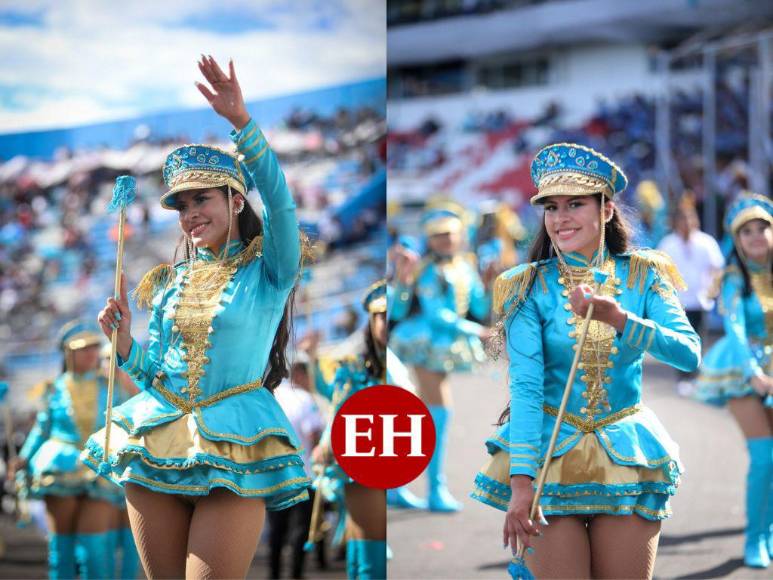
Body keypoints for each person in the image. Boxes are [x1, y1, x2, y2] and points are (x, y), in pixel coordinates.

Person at [81, 55, 310, 578]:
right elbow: (156, 376)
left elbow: (281, 203)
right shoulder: (168, 282)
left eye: (200, 200)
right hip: (157, 442)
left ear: (234, 200)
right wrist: (122, 345)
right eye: (181, 207)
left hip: (236, 448)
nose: (189, 217)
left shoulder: (268, 269)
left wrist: (242, 125)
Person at [470, 143, 701, 578]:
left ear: (607, 209)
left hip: (628, 457)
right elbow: (525, 386)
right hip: (549, 460)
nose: (561, 218)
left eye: (576, 203)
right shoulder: (526, 287)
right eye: (551, 207)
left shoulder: (643, 274)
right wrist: (521, 483)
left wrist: (620, 318)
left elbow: (687, 354)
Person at [390, 204, 491, 512]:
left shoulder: (465, 266)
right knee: (437, 414)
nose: (445, 240)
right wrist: (475, 330)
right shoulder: (429, 270)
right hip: (424, 344)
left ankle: (397, 484)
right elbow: (437, 315)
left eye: (450, 234)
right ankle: (432, 489)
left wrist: (489, 283)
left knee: (427, 415)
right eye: (438, 235)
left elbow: (480, 305)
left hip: (444, 346)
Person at [695, 193, 773, 568]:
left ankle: (768, 528)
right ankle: (755, 539)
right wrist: (753, 372)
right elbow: (736, 327)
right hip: (742, 373)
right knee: (764, 457)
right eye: (747, 232)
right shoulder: (732, 278)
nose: (756, 237)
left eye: (763, 228)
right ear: (736, 240)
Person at [12, 320, 125, 579]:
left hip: (100, 470)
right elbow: (42, 429)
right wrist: (22, 459)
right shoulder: (53, 389)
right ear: (68, 352)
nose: (92, 353)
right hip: (61, 468)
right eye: (84, 348)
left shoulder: (112, 386)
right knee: (61, 551)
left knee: (96, 550)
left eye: (95, 346)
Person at [311, 280, 388, 579]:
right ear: (370, 320)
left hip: (395, 466)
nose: (387, 322)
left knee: (365, 548)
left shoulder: (397, 363)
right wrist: (328, 442)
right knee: (365, 554)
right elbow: (338, 408)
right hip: (366, 464)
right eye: (381, 315)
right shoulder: (355, 368)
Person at [656, 196, 724, 394]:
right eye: (682, 219)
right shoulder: (667, 244)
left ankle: (697, 376)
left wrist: (712, 291)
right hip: (677, 302)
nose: (686, 223)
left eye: (690, 218)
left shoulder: (706, 242)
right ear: (675, 222)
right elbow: (659, 271)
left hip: (700, 300)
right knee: (679, 338)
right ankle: (683, 377)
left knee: (698, 338)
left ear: (696, 220)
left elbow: (717, 268)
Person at [268, 357, 326, 579]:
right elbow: (314, 433)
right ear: (299, 374)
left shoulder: (270, 397)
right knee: (300, 529)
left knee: (277, 530)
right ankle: (296, 574)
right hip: (303, 474)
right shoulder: (303, 398)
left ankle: (273, 574)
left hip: (274, 475)